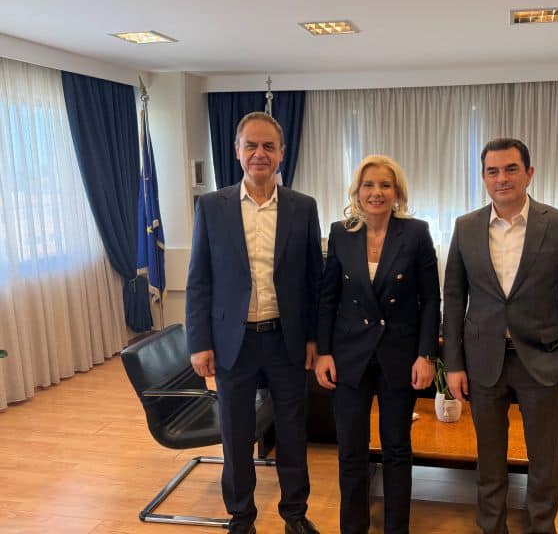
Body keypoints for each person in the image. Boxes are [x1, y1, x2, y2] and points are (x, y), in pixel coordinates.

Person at [443, 138, 558, 534]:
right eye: (492, 171)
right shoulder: (465, 227)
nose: (502, 178)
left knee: (543, 462)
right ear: (483, 177)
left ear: (529, 173)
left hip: (543, 360)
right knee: (489, 460)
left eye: (511, 169)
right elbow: (454, 299)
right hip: (483, 361)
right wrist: (454, 364)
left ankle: (541, 527)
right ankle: (491, 527)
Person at [186, 111, 322, 534]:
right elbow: (199, 279)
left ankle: (294, 514)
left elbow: (314, 280)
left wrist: (314, 337)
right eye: (251, 145)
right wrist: (199, 343)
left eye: (268, 146)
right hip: (233, 342)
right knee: (236, 434)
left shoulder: (303, 207)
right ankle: (241, 516)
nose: (259, 153)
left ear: (282, 153)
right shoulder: (212, 206)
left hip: (286, 340)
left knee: (292, 432)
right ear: (237, 151)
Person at [315, 154, 440, 534]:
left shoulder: (416, 233)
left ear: (397, 192)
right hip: (349, 354)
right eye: (368, 185)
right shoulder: (340, 233)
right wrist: (323, 352)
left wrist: (426, 355)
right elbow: (328, 298)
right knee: (351, 450)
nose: (376, 192)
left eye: (385, 185)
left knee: (396, 449)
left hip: (398, 354)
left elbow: (430, 300)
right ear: (357, 191)